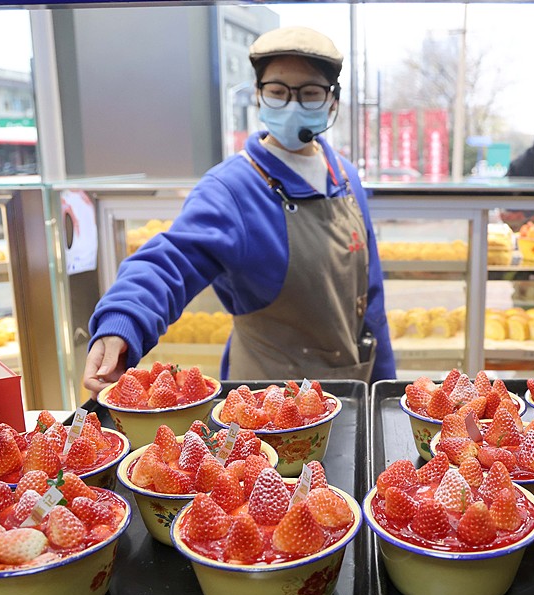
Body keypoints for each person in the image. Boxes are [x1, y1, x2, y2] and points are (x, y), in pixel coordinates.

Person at [83, 26, 395, 393]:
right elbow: (171, 260)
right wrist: (124, 321)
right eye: (278, 92)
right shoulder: (232, 188)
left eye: (310, 93)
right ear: (259, 98)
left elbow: (370, 298)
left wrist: (385, 385)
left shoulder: (344, 176)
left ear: (332, 100)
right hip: (263, 405)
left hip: (349, 389)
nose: (292, 105)